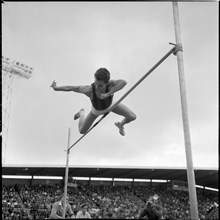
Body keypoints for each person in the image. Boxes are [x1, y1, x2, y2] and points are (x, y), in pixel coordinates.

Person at [51, 67, 136, 136]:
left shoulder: (111, 84)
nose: (97, 87)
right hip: (96, 111)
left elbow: (123, 82)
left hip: (111, 105)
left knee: (132, 117)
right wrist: (56, 88)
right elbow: (73, 88)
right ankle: (81, 113)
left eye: (100, 85)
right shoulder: (89, 90)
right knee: (82, 131)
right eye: (96, 83)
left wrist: (108, 94)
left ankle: (120, 125)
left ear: (106, 83)